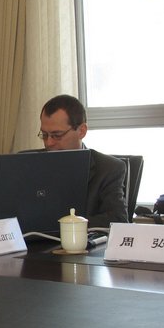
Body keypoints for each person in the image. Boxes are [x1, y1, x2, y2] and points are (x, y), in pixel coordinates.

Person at [38, 94, 127, 228]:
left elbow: (118, 219)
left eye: (57, 135)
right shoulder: (28, 165)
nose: (49, 142)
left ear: (82, 131)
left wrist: (67, 224)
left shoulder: (109, 168)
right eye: (44, 135)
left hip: (84, 240)